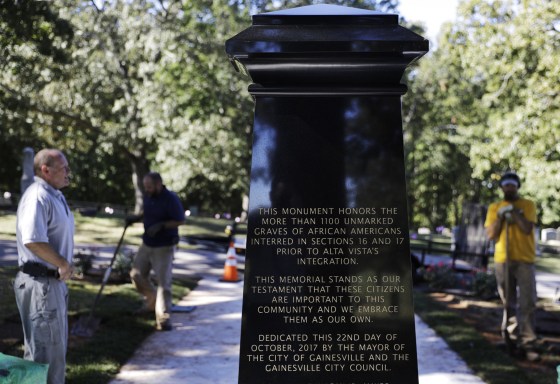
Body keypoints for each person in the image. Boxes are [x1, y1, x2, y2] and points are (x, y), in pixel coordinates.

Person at [14, 148, 74, 384]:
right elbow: (33, 239)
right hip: (42, 285)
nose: (68, 173)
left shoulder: (54, 194)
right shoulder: (38, 195)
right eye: (64, 169)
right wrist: (62, 263)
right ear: (45, 170)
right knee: (44, 358)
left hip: (52, 284)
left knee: (51, 354)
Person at [484, 171, 539, 361]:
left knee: (528, 302)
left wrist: (514, 213)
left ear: (517, 186)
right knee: (509, 302)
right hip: (503, 260)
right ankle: (510, 340)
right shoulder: (495, 207)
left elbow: (526, 229)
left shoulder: (528, 205)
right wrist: (500, 216)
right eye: (506, 185)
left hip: (525, 260)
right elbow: (491, 234)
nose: (509, 188)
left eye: (512, 185)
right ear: (502, 188)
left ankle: (529, 344)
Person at [128, 172, 185, 331]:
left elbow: (180, 220)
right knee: (136, 275)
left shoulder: (171, 198)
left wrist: (162, 225)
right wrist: (136, 218)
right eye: (145, 186)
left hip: (164, 246)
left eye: (150, 186)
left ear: (159, 184)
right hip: (147, 243)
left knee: (163, 283)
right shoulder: (149, 196)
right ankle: (152, 301)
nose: (147, 189)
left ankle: (163, 319)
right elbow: (148, 213)